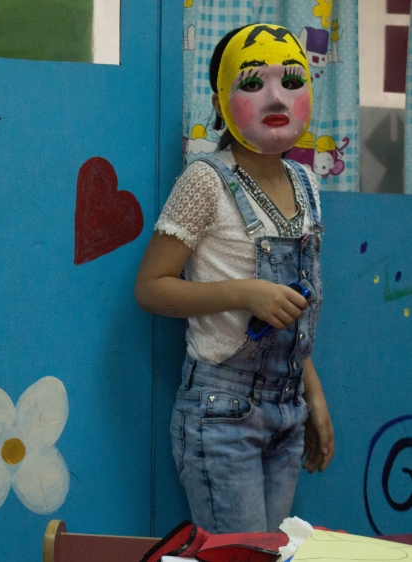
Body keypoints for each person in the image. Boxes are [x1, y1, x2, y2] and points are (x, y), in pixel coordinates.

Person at [134, 24, 335, 534]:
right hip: (221, 415)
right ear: (221, 100)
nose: (275, 96)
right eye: (252, 83)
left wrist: (313, 394)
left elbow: (299, 305)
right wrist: (245, 292)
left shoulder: (309, 184)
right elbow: (151, 286)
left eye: (292, 80)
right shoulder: (205, 179)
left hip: (288, 414)